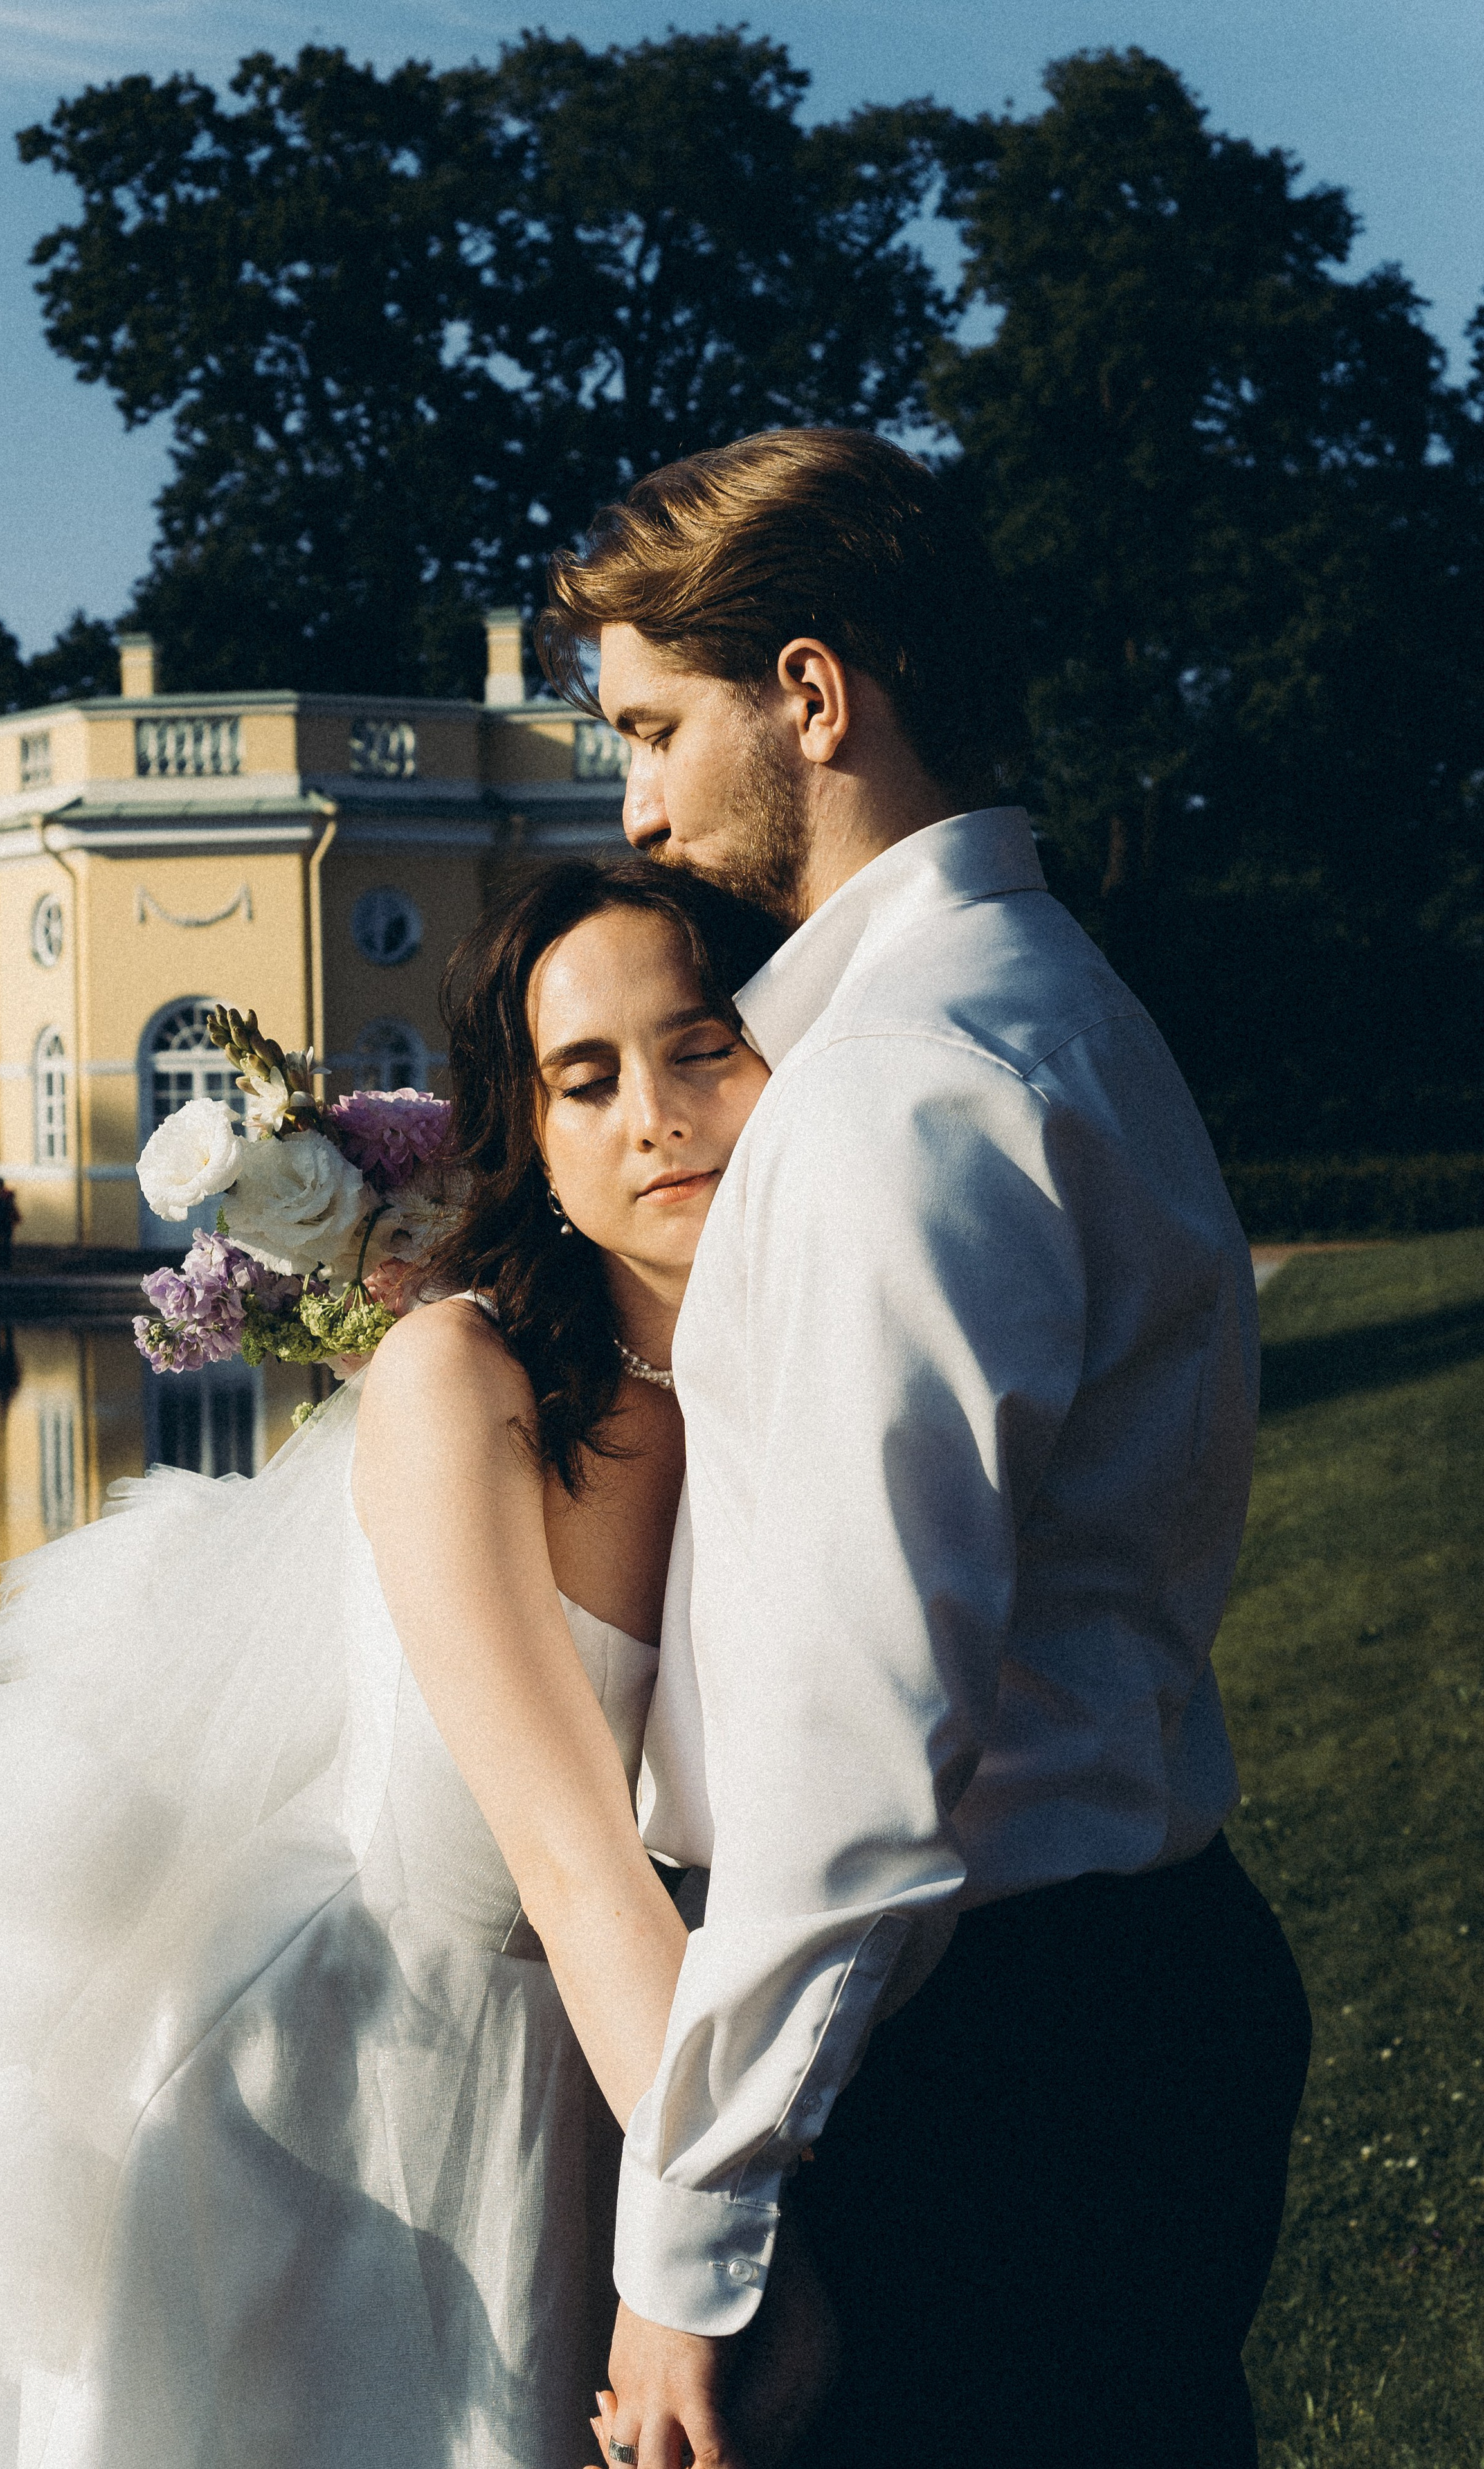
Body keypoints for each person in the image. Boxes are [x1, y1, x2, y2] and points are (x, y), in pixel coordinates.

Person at [538, 428, 1313, 2469]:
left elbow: (857, 1751)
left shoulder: (896, 1087)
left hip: (989, 2054)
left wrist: (689, 2239)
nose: (634, 807)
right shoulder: (1056, 1003)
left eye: (652, 731)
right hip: (1117, 1980)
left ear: (809, 693)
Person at [0, 860, 784, 2469]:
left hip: (590, 2053)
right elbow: (573, 1863)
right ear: (533, 1141)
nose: (655, 1118)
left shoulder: (774, 1374)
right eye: (585, 1079)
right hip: (329, 2096)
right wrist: (736, 2245)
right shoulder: (457, 1376)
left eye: (701, 1048)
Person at [0, 1175, 21, 1274]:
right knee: (6, 1244)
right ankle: (6, 1265)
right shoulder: (8, 1195)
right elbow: (11, 1207)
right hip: (6, 1222)